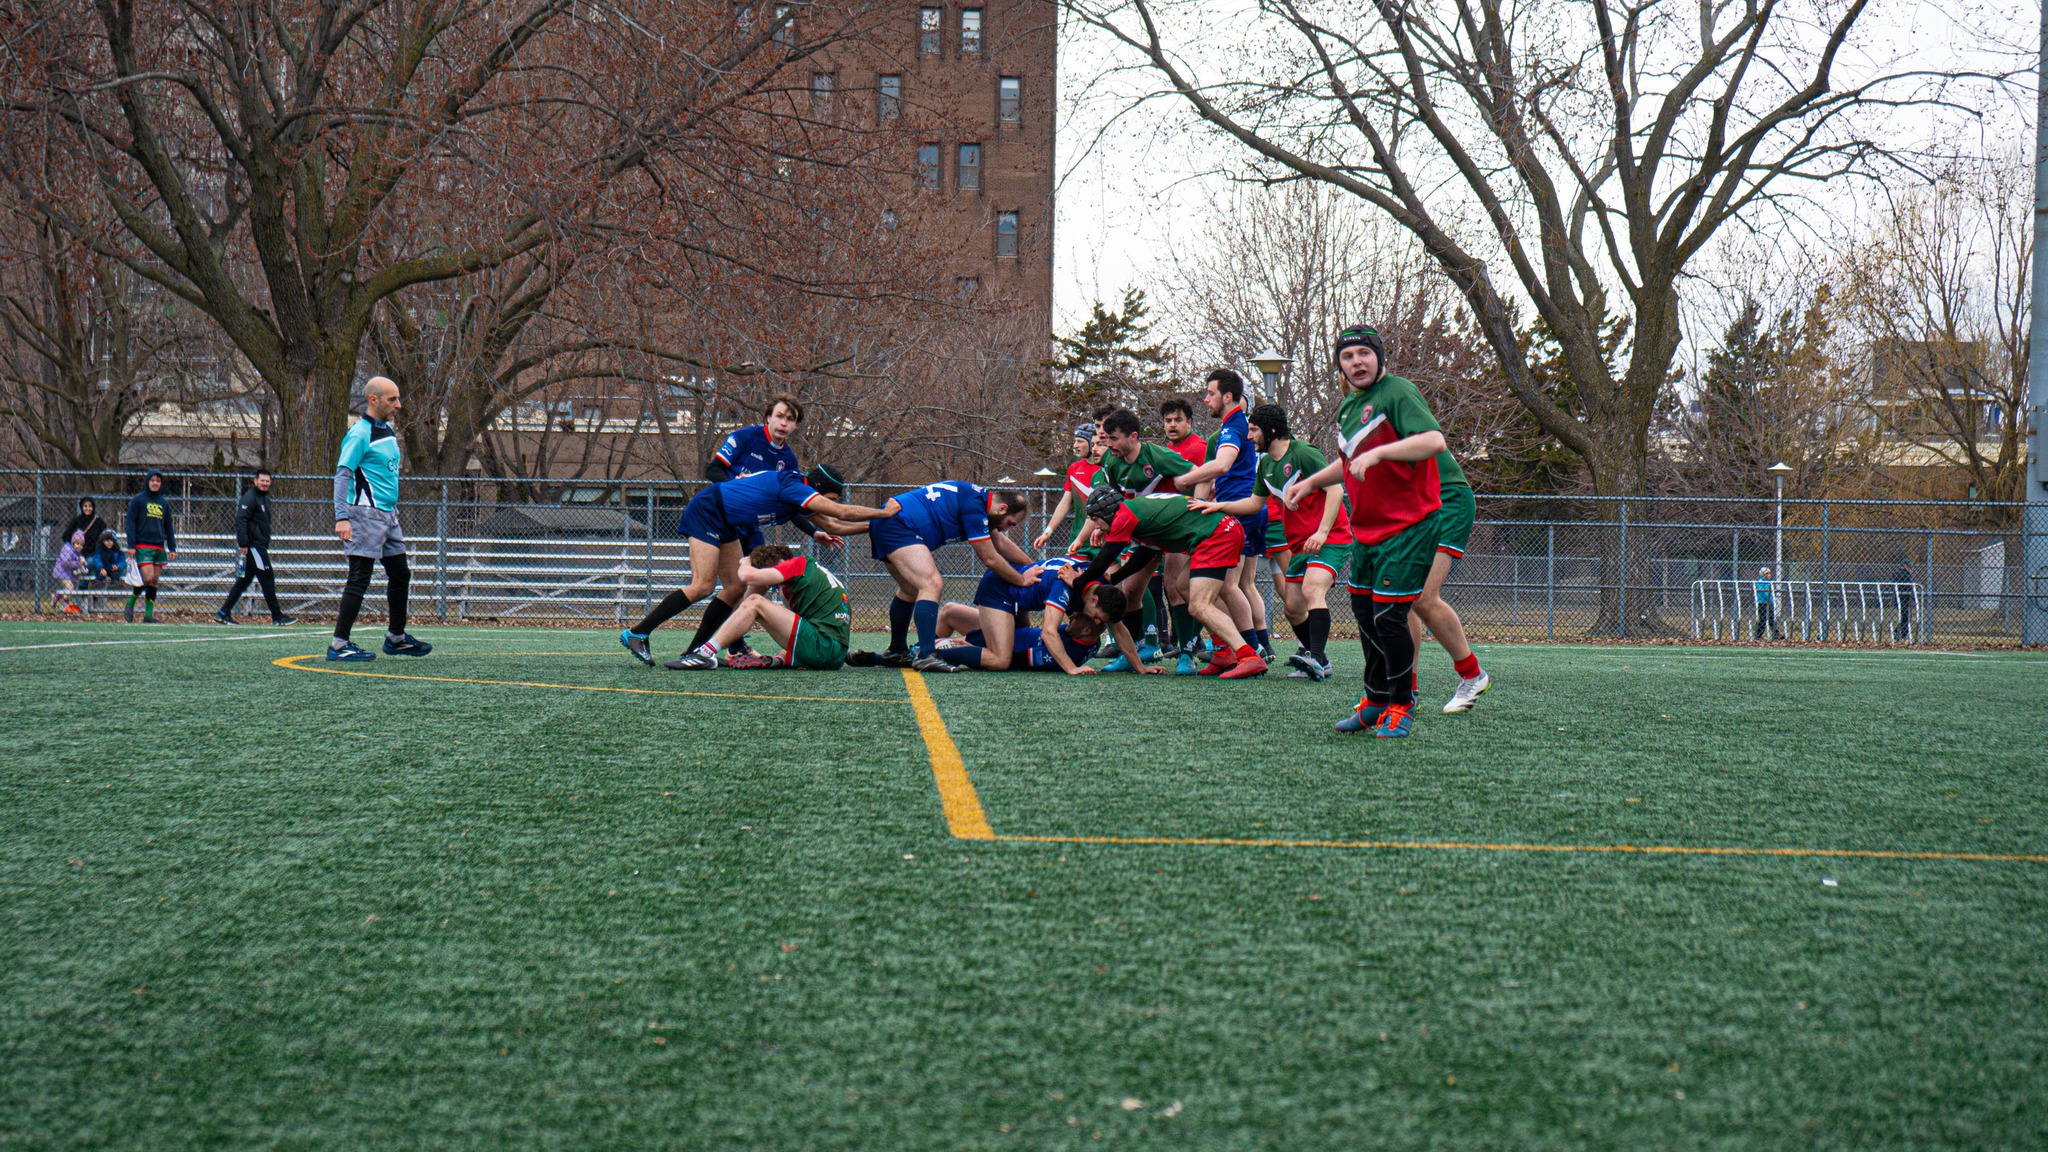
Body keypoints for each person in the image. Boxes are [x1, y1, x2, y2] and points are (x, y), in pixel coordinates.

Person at [1282, 325, 1447, 738]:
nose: (1357, 361)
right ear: (1339, 365)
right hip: (1368, 531)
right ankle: (1375, 700)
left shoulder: (1398, 392)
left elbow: (1433, 441)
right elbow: (1348, 461)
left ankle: (1402, 704)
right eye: (1348, 355)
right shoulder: (1349, 407)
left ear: (1379, 358)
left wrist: (1380, 453)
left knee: (1390, 617)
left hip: (1409, 526)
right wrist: (1311, 482)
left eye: (1364, 353)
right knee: (1365, 615)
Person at [622, 465, 896, 666]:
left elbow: (833, 525)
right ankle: (637, 633)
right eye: (830, 499)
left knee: (735, 588)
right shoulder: (793, 485)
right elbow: (842, 513)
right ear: (819, 490)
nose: (829, 505)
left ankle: (695, 652)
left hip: (727, 521)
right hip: (708, 509)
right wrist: (883, 513)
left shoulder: (797, 495)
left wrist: (876, 527)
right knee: (703, 586)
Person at [1193, 404, 1349, 681]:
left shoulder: (1303, 453)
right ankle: (1317, 659)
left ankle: (1317, 658)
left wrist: (1323, 532)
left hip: (1331, 538)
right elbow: (1255, 503)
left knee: (1313, 588)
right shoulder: (1265, 464)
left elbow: (1335, 489)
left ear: (1272, 430)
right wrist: (1220, 507)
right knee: (1292, 607)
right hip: (1301, 544)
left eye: (1253, 430)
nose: (1249, 437)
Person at [1070, 486, 1267, 679]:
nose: (1096, 526)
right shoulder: (1134, 512)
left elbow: (1104, 559)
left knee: (1200, 605)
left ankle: (1247, 655)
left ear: (1106, 512)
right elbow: (1144, 553)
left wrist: (1077, 583)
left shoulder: (1124, 516)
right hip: (1218, 531)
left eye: (1096, 520)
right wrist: (1114, 578)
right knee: (1183, 585)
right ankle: (1224, 653)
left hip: (1216, 535)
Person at [863, 480, 1038, 673]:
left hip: (891, 524)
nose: (1006, 528)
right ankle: (927, 655)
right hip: (900, 525)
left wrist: (1035, 567)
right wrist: (1022, 579)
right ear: (1002, 508)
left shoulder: (979, 501)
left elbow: (1000, 542)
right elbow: (990, 558)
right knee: (931, 584)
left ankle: (897, 651)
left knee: (910, 589)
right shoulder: (975, 508)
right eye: (1009, 523)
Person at [705, 395, 817, 660]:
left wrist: (815, 531)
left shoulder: (788, 460)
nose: (784, 423)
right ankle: (710, 646)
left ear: (796, 426)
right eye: (779, 416)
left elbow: (791, 505)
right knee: (720, 586)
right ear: (768, 417)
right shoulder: (746, 437)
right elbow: (712, 471)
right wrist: (736, 485)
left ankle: (736, 644)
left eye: (790, 419)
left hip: (752, 526)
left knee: (760, 579)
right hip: (725, 520)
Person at [328, 376, 431, 661]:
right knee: (359, 577)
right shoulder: (360, 433)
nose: (398, 404)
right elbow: (343, 474)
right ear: (373, 400)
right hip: (363, 516)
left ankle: (396, 638)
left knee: (400, 574)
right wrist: (342, 517)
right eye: (392, 399)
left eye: (398, 398)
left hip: (388, 516)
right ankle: (339, 645)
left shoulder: (385, 430)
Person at [1091, 408, 1198, 671]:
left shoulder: (1158, 456)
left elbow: (1198, 473)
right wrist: (1102, 527)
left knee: (1173, 587)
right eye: (1105, 439)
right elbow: (1111, 499)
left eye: (1113, 439)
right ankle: (1143, 648)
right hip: (1143, 535)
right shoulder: (1111, 462)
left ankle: (1187, 654)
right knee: (1130, 591)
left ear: (1133, 437)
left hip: (1172, 530)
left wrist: (1193, 505)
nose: (1108, 445)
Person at [1176, 370, 1271, 661]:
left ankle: (1248, 650)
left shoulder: (1232, 426)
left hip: (1237, 512)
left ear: (1227, 397)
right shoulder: (1237, 424)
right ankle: (1236, 648)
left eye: (1211, 393)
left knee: (1228, 586)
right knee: (1189, 584)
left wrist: (1185, 480)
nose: (1206, 399)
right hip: (1242, 511)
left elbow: (1222, 464)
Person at [665, 543, 854, 670]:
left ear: (779, 564)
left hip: (824, 647)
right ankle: (767, 659)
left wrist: (745, 562)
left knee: (756, 601)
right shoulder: (808, 572)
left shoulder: (795, 564)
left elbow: (749, 580)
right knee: (754, 601)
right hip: (832, 653)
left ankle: (705, 654)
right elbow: (746, 609)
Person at [1409, 445, 1490, 713]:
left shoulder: (1397, 402)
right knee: (1400, 598)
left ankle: (1472, 675)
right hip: (1415, 505)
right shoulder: (1356, 415)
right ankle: (1404, 690)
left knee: (1422, 598)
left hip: (1446, 499)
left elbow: (1433, 441)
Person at [216, 469, 295, 625]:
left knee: (244, 582)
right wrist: (243, 543)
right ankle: (277, 617)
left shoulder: (264, 498)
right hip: (254, 546)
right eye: (262, 480)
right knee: (267, 578)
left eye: (267, 481)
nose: (265, 483)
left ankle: (223, 613)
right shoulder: (250, 498)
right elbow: (241, 520)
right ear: (255, 481)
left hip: (259, 545)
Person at [1032, 424, 1104, 554]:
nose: (1075, 446)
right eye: (1075, 441)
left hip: (1104, 542)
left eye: (1080, 441)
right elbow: (1064, 504)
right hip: (1078, 542)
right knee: (1069, 573)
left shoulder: (1110, 469)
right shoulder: (1075, 469)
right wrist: (1047, 532)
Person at [123, 469, 176, 623]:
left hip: (159, 546)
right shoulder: (138, 500)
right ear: (147, 481)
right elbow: (130, 523)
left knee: (154, 581)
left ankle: (148, 615)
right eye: (152, 480)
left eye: (158, 481)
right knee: (148, 577)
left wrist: (172, 547)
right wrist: (131, 545)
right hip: (142, 545)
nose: (155, 483)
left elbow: (169, 527)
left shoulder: (164, 503)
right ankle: (131, 602)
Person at [80, 530, 129, 611]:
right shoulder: (100, 550)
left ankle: (114, 587)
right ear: (102, 541)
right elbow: (97, 559)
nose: (108, 543)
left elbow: (123, 562)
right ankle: (96, 587)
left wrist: (118, 566)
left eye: (111, 540)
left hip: (113, 569)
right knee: (101, 576)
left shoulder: (118, 551)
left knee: (116, 575)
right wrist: (101, 568)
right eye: (106, 540)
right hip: (103, 569)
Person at [54, 497, 107, 562]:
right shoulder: (76, 521)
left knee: (90, 562)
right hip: (78, 553)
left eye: (90, 506)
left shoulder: (98, 522)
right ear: (82, 507)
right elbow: (66, 536)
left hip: (93, 552)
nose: (88, 508)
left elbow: (105, 535)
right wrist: (74, 546)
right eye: (85, 506)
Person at [50, 530, 87, 614]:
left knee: (68, 588)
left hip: (67, 573)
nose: (79, 546)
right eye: (77, 544)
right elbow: (66, 562)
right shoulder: (68, 549)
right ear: (73, 542)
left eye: (81, 545)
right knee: (70, 587)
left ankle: (56, 598)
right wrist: (78, 563)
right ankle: (65, 604)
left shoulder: (76, 552)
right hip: (61, 572)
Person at [1754, 567, 1779, 640]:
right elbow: (1765, 593)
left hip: (1767, 602)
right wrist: (1771, 600)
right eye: (1768, 573)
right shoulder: (1761, 582)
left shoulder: (1767, 582)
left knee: (1771, 618)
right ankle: (1758, 635)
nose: (1769, 575)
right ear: (1764, 574)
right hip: (1762, 603)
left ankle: (1776, 634)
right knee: (1763, 619)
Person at [1893, 559, 1914, 641]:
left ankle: (1900, 633)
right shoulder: (1899, 573)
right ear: (1904, 565)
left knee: (1905, 617)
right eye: (1908, 566)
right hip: (1901, 598)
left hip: (1905, 598)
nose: (1909, 568)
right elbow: (1905, 585)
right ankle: (1902, 634)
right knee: (1904, 616)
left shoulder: (1906, 574)